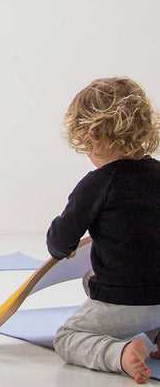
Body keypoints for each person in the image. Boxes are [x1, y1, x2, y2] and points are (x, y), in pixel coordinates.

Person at [47, 77, 160, 383]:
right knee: (89, 279)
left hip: (122, 304)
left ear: (93, 136)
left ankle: (120, 354)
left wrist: (60, 246)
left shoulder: (97, 184)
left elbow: (61, 241)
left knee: (67, 337)